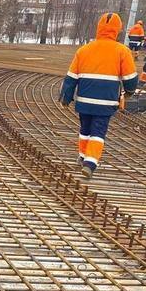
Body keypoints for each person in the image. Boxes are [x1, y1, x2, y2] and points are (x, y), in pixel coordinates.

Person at [59, 13, 138, 179]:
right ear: (117, 30)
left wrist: (66, 98)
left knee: (85, 129)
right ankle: (90, 162)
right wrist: (129, 92)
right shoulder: (122, 51)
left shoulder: (84, 50)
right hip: (106, 101)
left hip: (84, 101)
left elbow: (71, 77)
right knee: (98, 132)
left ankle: (82, 155)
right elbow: (130, 78)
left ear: (99, 28)